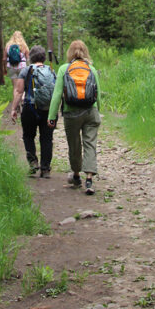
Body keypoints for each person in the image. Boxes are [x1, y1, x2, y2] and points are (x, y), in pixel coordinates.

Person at [47, 39, 101, 196]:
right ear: (86, 52)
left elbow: (57, 95)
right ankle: (89, 178)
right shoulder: (91, 69)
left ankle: (76, 176)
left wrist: (52, 116)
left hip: (71, 113)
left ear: (70, 53)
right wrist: (97, 110)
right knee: (90, 144)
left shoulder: (64, 69)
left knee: (74, 145)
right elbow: (98, 93)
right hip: (90, 111)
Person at [11, 44, 56, 177]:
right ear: (43, 58)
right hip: (48, 110)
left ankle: (33, 163)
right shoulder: (51, 71)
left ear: (30, 57)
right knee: (47, 138)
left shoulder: (26, 71)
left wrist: (14, 108)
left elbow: (19, 91)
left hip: (30, 108)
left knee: (28, 136)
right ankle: (46, 169)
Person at [3, 30, 29, 109]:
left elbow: (4, 58)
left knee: (15, 87)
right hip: (22, 67)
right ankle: (23, 99)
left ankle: (16, 104)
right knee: (23, 85)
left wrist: (4, 68)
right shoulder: (23, 45)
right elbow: (28, 58)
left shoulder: (8, 46)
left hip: (11, 67)